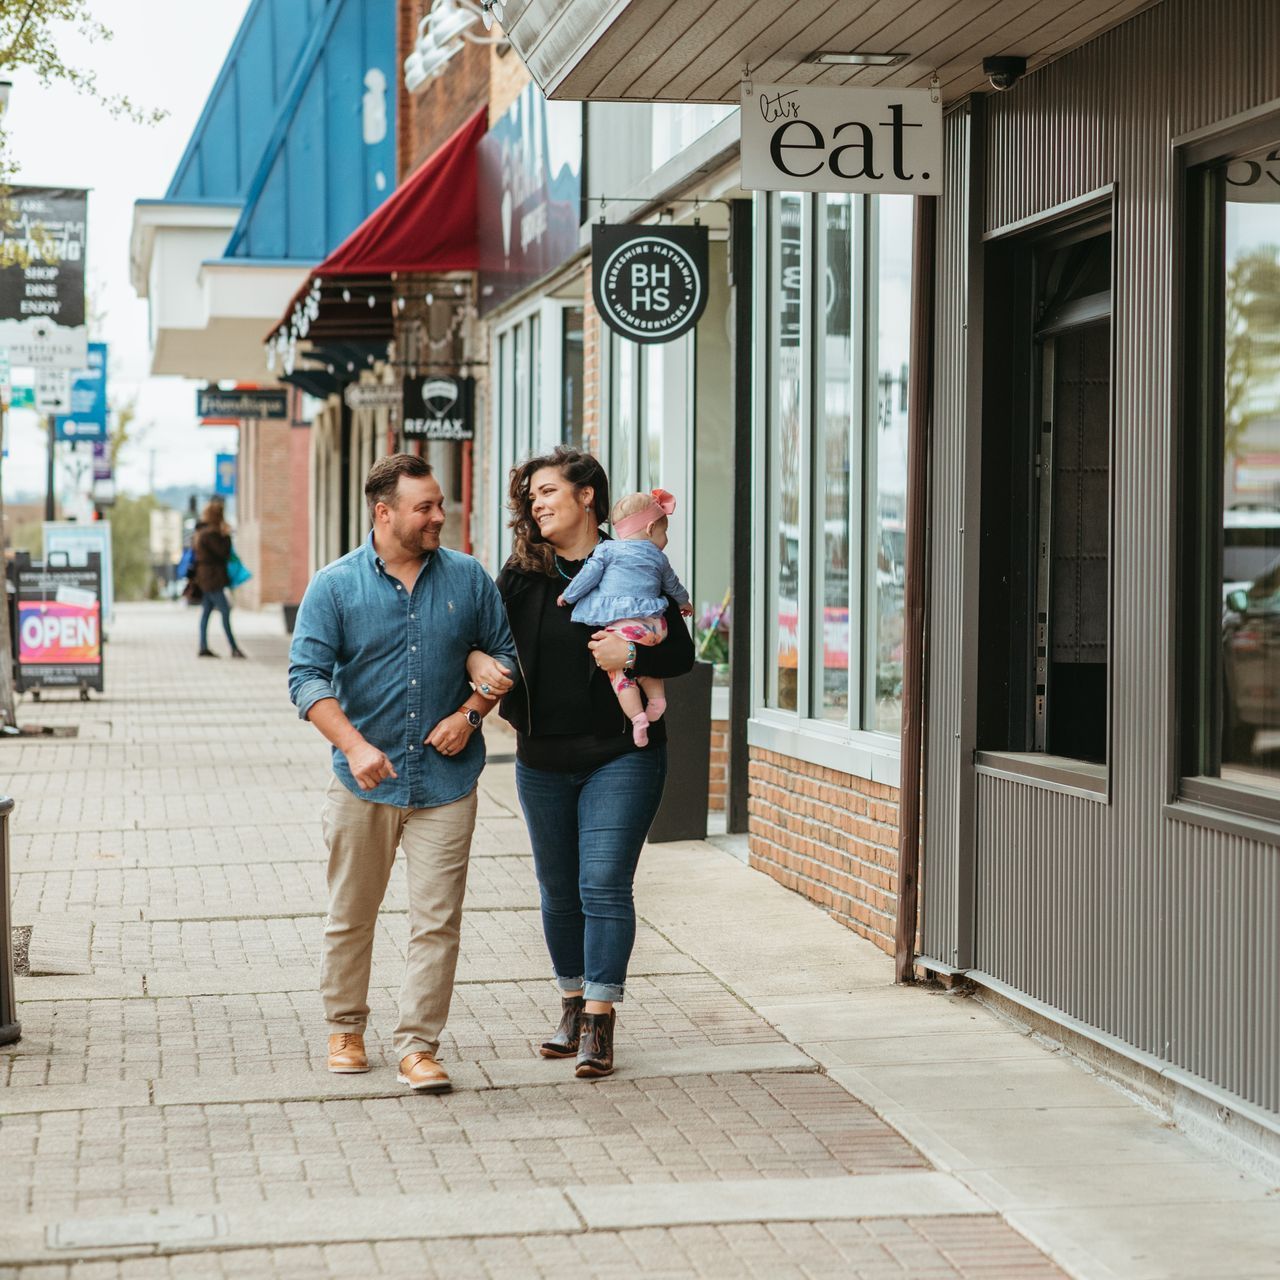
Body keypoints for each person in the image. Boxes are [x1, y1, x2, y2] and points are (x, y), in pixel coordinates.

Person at [287, 454, 516, 1093]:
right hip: (365, 782)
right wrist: (355, 746)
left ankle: (418, 1046)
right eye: (426, 507)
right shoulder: (334, 586)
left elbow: (503, 655)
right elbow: (305, 678)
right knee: (351, 914)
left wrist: (471, 715)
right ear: (384, 512)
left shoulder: (468, 578)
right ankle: (345, 1028)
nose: (440, 516)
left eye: (440, 503)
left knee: (437, 921)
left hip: (447, 782)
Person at [492, 446, 694, 1078]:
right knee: (558, 890)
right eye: (530, 497)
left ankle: (602, 1019)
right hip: (541, 757)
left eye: (547, 490)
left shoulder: (636, 558)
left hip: (620, 754)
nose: (537, 504)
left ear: (587, 496)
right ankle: (572, 1002)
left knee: (602, 882)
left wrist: (630, 661)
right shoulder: (524, 574)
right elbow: (484, 640)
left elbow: (680, 653)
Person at [557, 488, 693, 746]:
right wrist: (684, 602)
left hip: (628, 628)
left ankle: (637, 717)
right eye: (665, 533)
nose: (665, 540)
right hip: (656, 626)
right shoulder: (659, 559)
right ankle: (657, 699)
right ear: (652, 527)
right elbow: (674, 586)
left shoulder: (607, 551)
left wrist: (569, 595)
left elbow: (588, 577)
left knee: (618, 672)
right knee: (644, 666)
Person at [193, 499, 246, 658]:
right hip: (212, 578)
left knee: (207, 612)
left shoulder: (200, 533)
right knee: (225, 610)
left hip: (205, 577)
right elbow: (223, 553)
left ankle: (203, 646)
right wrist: (227, 536)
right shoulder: (211, 534)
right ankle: (233, 647)